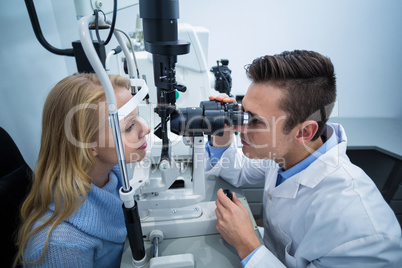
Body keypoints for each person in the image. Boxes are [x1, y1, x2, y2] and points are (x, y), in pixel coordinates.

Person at [205, 50, 402, 267]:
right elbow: (239, 169)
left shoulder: (360, 229)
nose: (239, 127)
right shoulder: (287, 151)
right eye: (244, 112)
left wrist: (248, 245)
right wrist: (220, 133)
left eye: (256, 121)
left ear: (304, 132)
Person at [14, 73, 150, 267]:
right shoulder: (61, 247)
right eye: (129, 126)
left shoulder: (114, 175)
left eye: (138, 118)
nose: (145, 128)